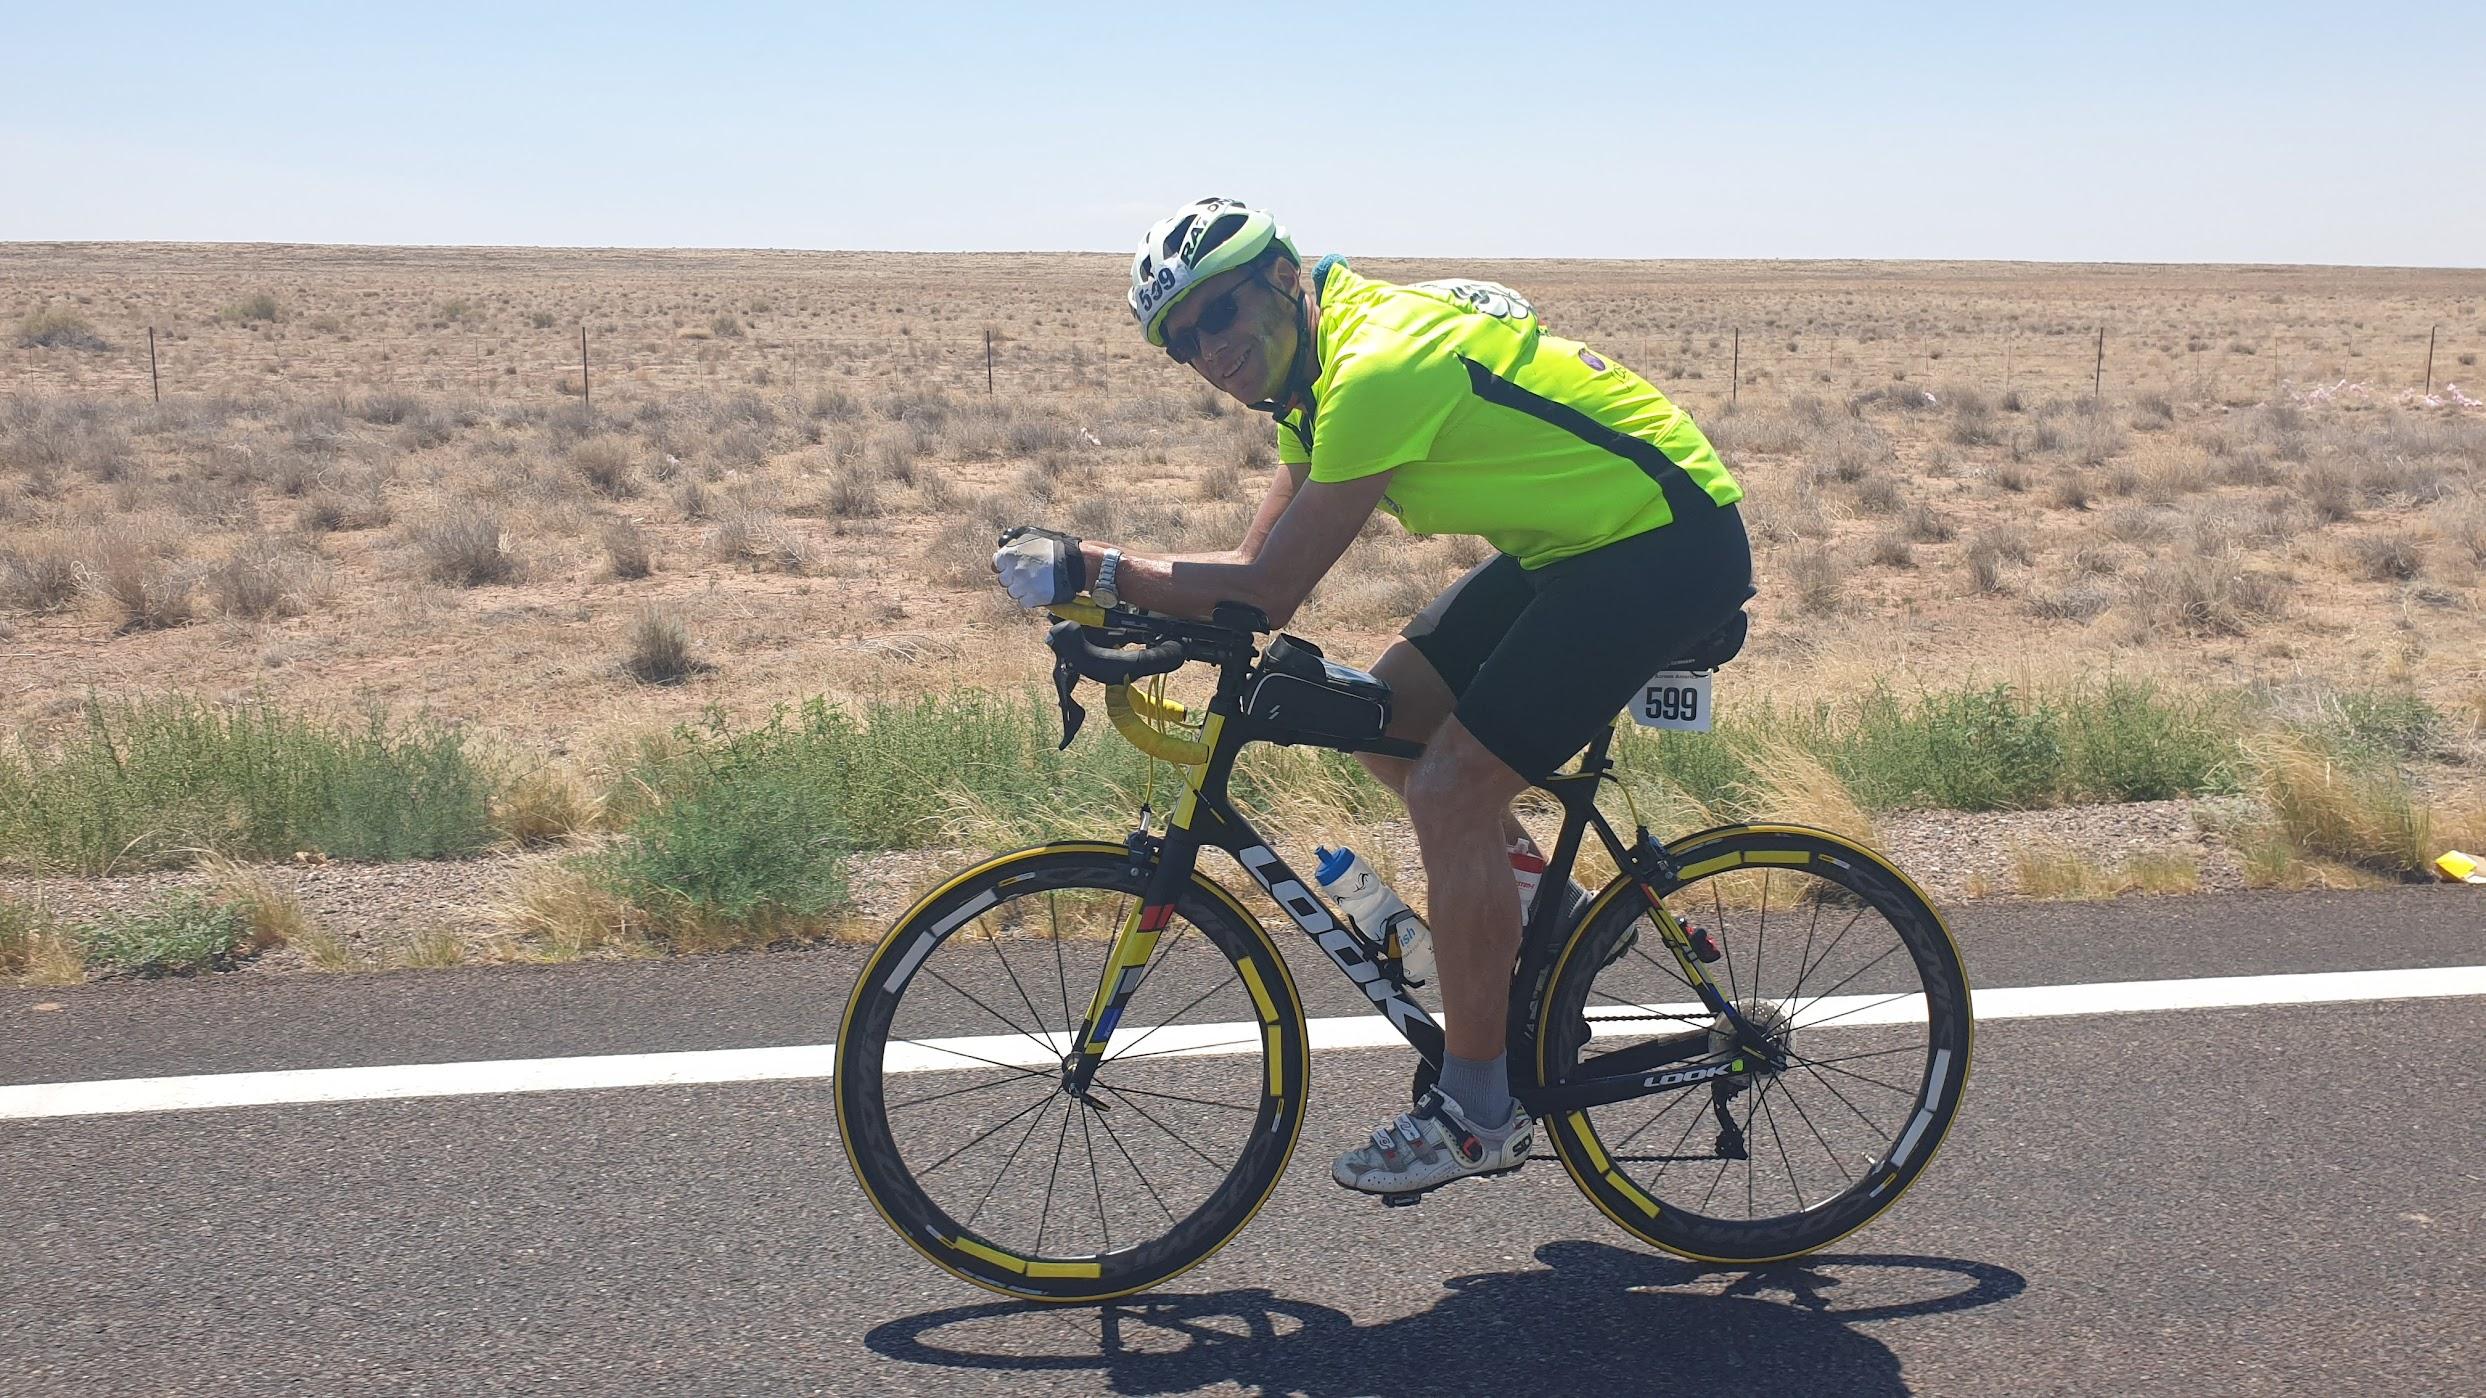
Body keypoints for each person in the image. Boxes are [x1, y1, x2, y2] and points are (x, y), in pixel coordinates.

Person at [992, 197, 1752, 1200]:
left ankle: (1478, 1114)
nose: (1207, 351)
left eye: (1216, 313)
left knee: (1449, 792)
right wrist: (1120, 602)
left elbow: (1269, 589)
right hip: (1579, 544)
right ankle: (1548, 909)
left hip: (1665, 544)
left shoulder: (1374, 367)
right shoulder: (1308, 385)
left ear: (1280, 277)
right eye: (1180, 342)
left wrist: (1097, 568)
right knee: (1381, 714)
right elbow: (1249, 568)